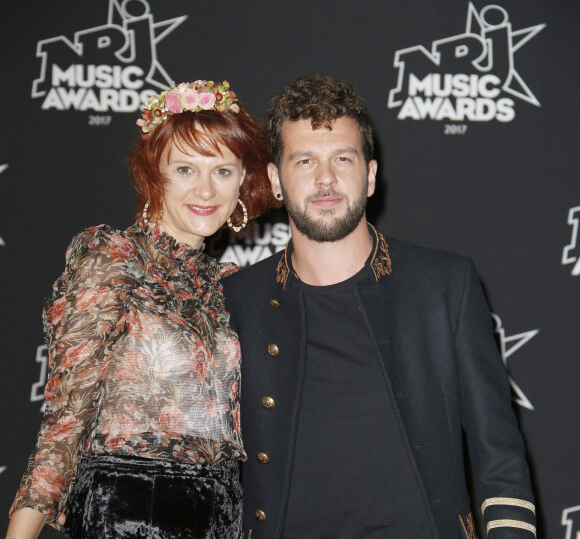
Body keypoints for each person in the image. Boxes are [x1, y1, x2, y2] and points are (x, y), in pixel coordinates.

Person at [222, 75, 537, 539]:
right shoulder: (238, 301)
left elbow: (500, 455)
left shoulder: (442, 287)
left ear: (369, 175)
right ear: (275, 181)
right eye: (304, 160)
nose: (325, 178)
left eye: (342, 158)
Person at [7, 80, 273, 539]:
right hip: (128, 509)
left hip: (221, 514)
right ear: (154, 174)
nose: (206, 189)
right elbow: (68, 416)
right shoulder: (113, 257)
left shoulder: (233, 285)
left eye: (223, 171)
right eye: (186, 169)